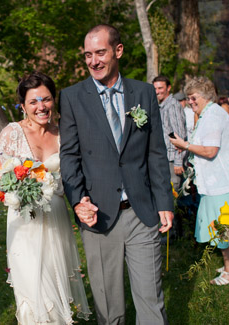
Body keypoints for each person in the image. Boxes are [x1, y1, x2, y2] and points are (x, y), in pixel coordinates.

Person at [59, 24, 173, 324]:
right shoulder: (72, 97)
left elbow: (156, 152)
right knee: (110, 308)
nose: (93, 61)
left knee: (151, 300)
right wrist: (78, 200)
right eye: (88, 55)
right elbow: (69, 156)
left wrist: (164, 201)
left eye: (100, 53)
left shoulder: (144, 92)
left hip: (141, 212)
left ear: (118, 51)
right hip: (99, 216)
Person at [0, 71, 91, 324]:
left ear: (54, 100)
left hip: (56, 216)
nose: (41, 107)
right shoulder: (12, 133)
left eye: (46, 99)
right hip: (24, 221)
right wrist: (18, 188)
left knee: (55, 280)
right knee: (33, 286)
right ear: (23, 105)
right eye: (34, 102)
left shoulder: (63, 134)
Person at [169, 76, 229, 285]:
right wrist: (188, 144)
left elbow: (209, 150)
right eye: (188, 98)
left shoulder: (213, 115)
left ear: (206, 95)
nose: (190, 102)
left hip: (223, 182)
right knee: (224, 224)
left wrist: (186, 145)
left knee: (221, 226)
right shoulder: (209, 113)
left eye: (193, 98)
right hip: (221, 180)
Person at [153, 75, 187, 190]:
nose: (157, 92)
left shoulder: (172, 106)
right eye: (155, 89)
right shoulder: (162, 106)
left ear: (168, 88)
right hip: (165, 157)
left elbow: (179, 134)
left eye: (160, 88)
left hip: (173, 159)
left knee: (174, 191)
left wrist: (178, 161)